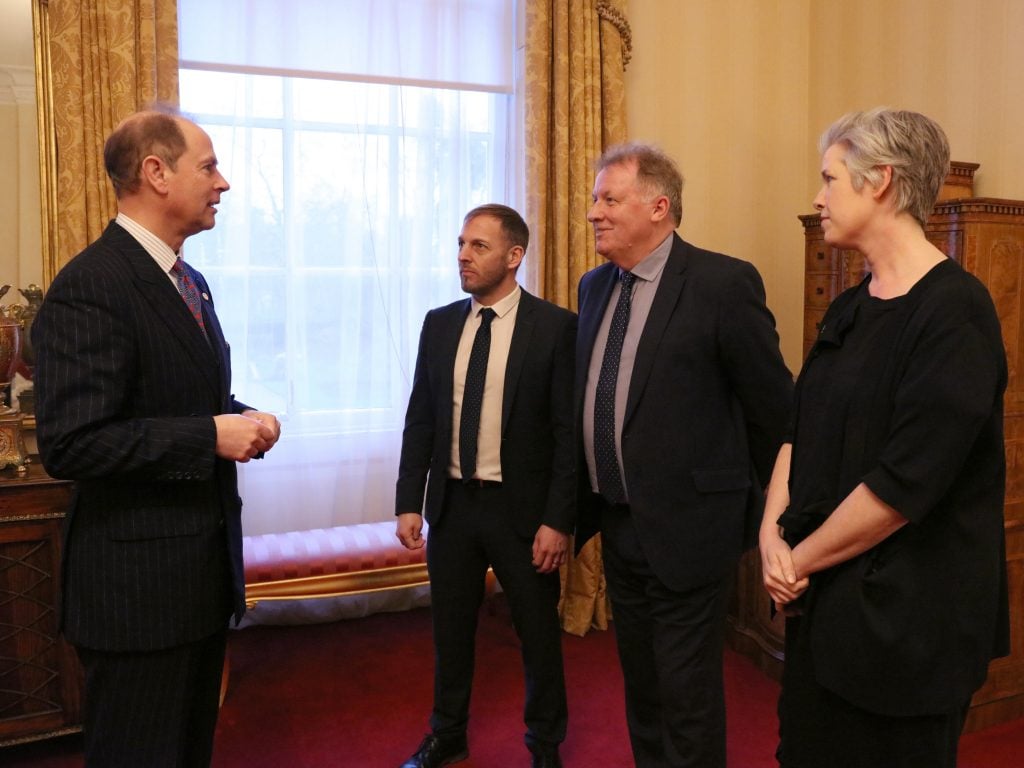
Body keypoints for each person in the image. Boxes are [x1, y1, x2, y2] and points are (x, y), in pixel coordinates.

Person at [760, 108, 1010, 768]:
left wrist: (798, 559)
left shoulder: (956, 313)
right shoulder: (848, 306)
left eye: (829, 178)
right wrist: (770, 534)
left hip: (910, 625)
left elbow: (904, 485)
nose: (817, 198)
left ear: (881, 183)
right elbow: (798, 427)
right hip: (827, 606)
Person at [32, 105, 281, 767]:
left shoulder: (187, 280)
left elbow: (187, 396)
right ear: (156, 173)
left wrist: (246, 417)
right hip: (136, 598)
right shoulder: (91, 286)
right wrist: (209, 437)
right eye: (209, 166)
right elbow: (73, 442)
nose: (223, 182)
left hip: (196, 584)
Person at [575, 142, 793, 767]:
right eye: (595, 198)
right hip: (618, 523)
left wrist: (752, 508)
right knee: (641, 686)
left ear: (659, 207)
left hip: (692, 530)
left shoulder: (722, 283)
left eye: (609, 199)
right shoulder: (594, 288)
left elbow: (775, 412)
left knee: (687, 691)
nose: (594, 212)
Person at [395, 204, 576, 768]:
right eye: (460, 244)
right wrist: (408, 502)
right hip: (452, 507)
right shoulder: (440, 322)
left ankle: (544, 745)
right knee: (450, 633)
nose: (462, 256)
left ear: (514, 256)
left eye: (478, 246)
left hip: (521, 513)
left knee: (538, 636)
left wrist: (559, 519)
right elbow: (421, 415)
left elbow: (569, 435)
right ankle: (447, 734)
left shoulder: (555, 328)